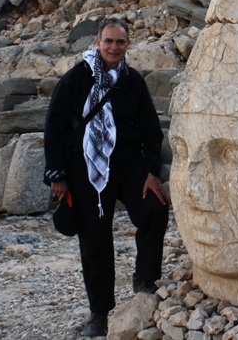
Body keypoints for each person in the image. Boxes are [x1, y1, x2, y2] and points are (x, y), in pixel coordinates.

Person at [44, 18, 169, 337]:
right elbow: (54, 127)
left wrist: (152, 173)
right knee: (94, 237)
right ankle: (99, 312)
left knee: (154, 209)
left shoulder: (133, 81)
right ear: (98, 42)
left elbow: (151, 131)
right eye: (109, 41)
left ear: (128, 45)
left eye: (121, 42)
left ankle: (145, 280)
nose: (114, 47)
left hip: (128, 164)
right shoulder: (75, 78)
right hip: (84, 166)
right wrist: (57, 174)